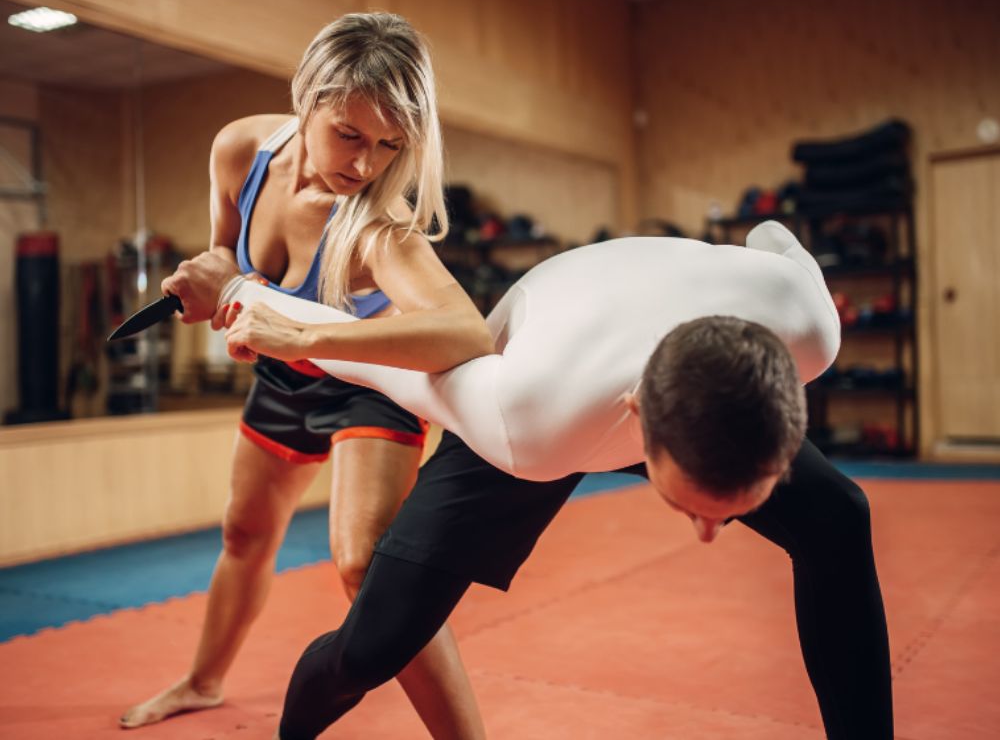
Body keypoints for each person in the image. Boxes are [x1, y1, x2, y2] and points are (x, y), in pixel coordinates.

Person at [213, 219, 893, 740]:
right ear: (638, 424)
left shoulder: (809, 324)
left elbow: (775, 237)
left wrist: (764, 236)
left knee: (838, 516)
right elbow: (391, 363)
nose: (710, 535)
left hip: (672, 340)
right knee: (373, 647)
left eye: (726, 510)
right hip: (548, 349)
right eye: (693, 510)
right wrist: (243, 294)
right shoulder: (527, 417)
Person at [120, 13, 491, 739]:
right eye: (349, 135)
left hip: (368, 383)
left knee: (363, 564)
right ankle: (202, 681)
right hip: (284, 377)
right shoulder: (238, 150)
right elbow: (226, 260)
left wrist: (300, 332)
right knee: (243, 532)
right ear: (307, 99)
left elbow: (467, 331)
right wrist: (213, 288)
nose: (365, 165)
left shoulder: (382, 230)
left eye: (390, 145)